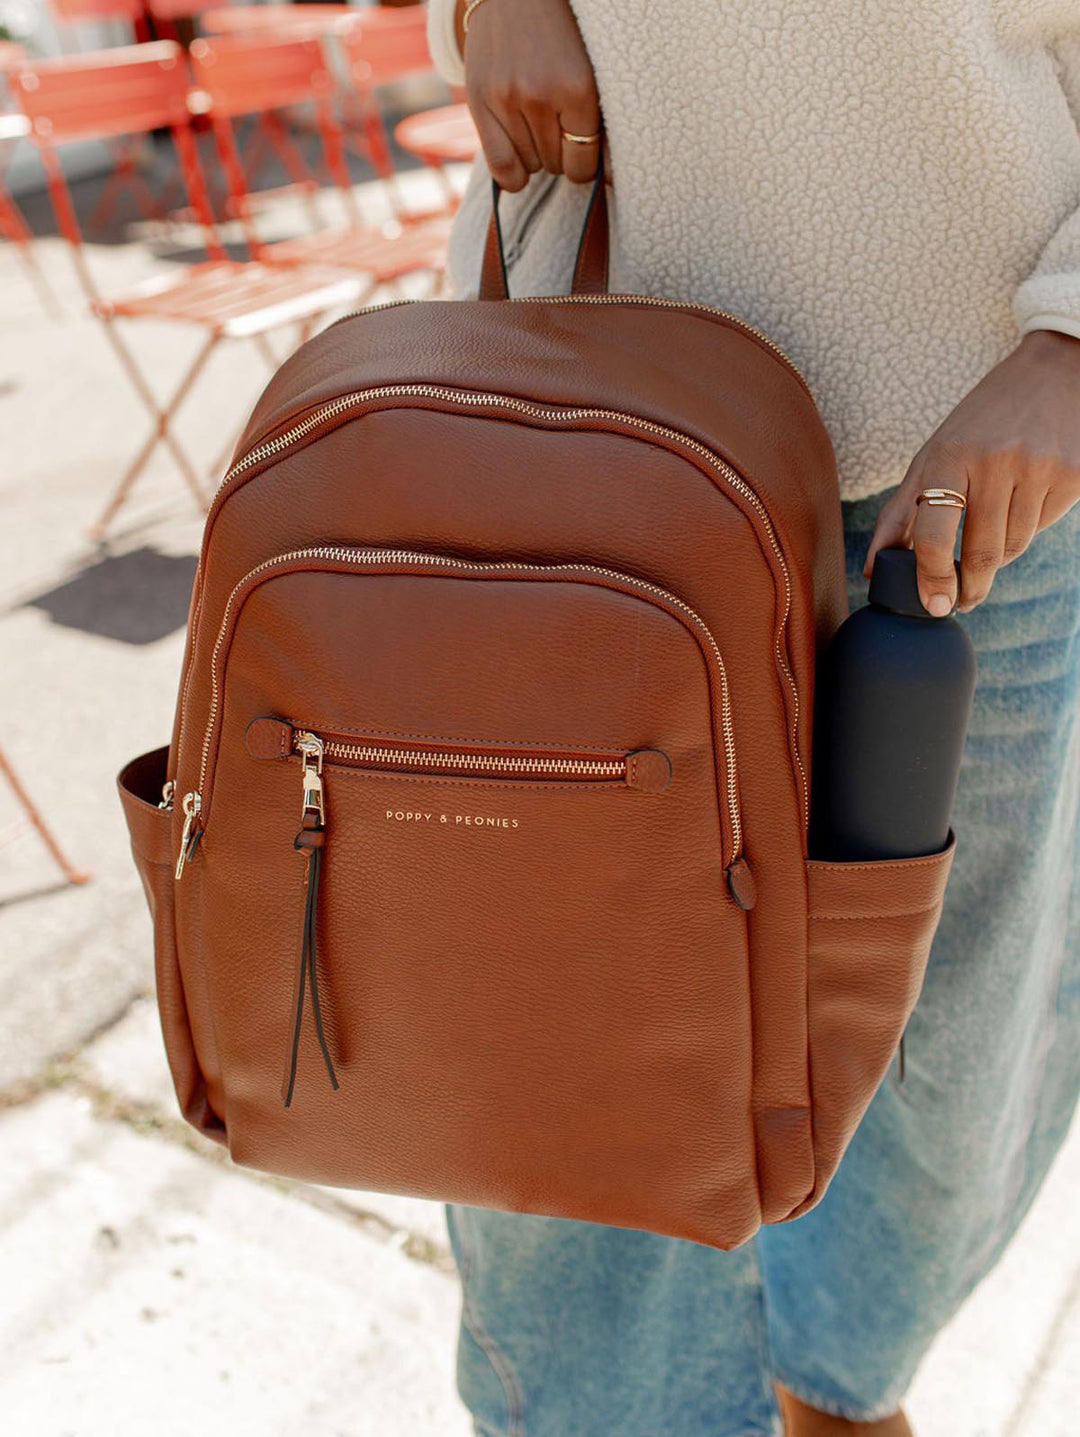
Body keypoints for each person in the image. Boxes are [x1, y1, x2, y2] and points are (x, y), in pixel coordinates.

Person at [424, 2, 1080, 1433]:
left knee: (945, 1055)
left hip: (987, 440)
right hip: (605, 411)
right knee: (572, 1026)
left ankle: (837, 1381)